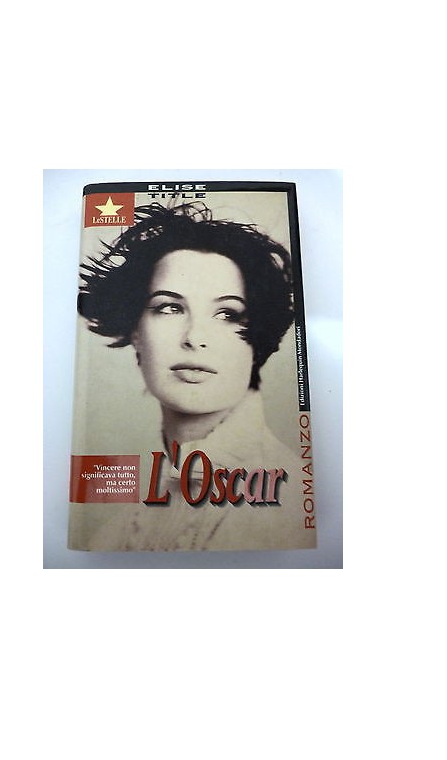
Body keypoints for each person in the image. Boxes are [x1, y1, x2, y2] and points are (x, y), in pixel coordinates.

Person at [76, 201, 312, 551]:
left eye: (227, 314)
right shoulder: (120, 527)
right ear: (136, 330)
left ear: (258, 338)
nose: (194, 337)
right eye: (169, 307)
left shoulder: (285, 506)